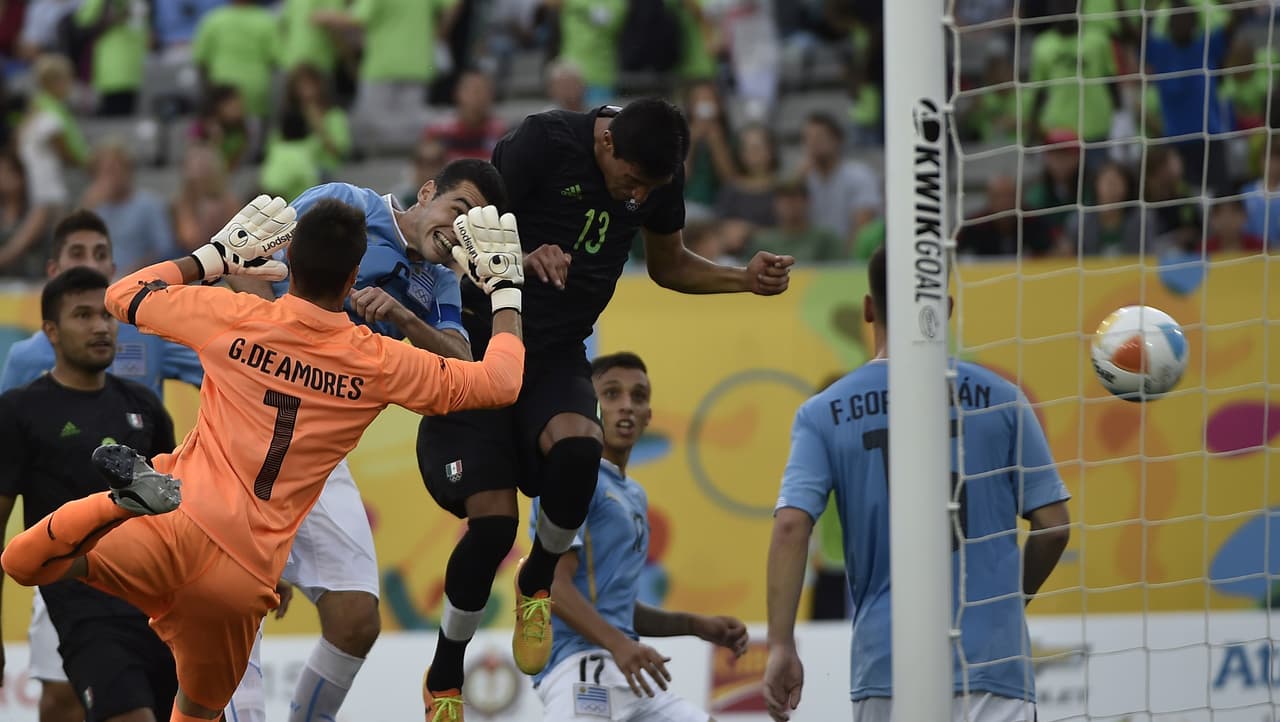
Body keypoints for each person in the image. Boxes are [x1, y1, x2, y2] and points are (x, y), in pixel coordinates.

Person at [0, 194, 527, 721]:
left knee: (24, 561)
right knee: (197, 713)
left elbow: (123, 295)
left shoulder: (235, 316)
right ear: (352, 281)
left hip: (173, 524)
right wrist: (506, 291)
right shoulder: (378, 362)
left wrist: (213, 257)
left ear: (288, 261)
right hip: (241, 576)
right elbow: (501, 383)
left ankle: (118, 503)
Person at [417, 97, 794, 719]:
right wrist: (519, 257)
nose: (637, 196)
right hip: (481, 348)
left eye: (650, 188)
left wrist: (742, 279)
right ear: (607, 142)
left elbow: (668, 265)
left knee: (580, 447)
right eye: (632, 180)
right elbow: (459, 230)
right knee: (493, 526)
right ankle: (445, 674)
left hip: (556, 353)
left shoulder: (657, 174)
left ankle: (538, 581)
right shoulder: (542, 143)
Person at [228, 160, 509, 722]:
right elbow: (244, 258)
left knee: (356, 620)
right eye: (458, 210)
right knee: (238, 602)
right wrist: (280, 343)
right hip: (251, 431)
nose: (458, 232)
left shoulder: (441, 282)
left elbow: (463, 369)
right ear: (425, 191)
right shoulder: (346, 204)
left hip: (320, 455)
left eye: (472, 228)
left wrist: (403, 317)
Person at [762, 247, 1072, 722]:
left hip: (889, 664)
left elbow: (790, 527)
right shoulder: (1004, 399)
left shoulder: (823, 412)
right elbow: (1054, 527)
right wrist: (1010, 602)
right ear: (945, 308)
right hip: (992, 662)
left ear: (869, 309)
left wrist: (781, 645)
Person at [0, 209, 206, 722]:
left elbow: (176, 510)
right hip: (75, 594)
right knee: (77, 705)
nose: (100, 327)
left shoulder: (145, 405)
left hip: (151, 598)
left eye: (106, 316)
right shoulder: (20, 410)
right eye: (82, 316)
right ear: (50, 331)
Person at [531, 351, 749, 721]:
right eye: (611, 394)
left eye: (639, 396)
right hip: (579, 668)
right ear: (588, 406)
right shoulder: (571, 478)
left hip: (629, 670)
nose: (627, 406)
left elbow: (612, 606)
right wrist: (619, 644)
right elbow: (549, 585)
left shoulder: (633, 494)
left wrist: (695, 625)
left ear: (649, 415)